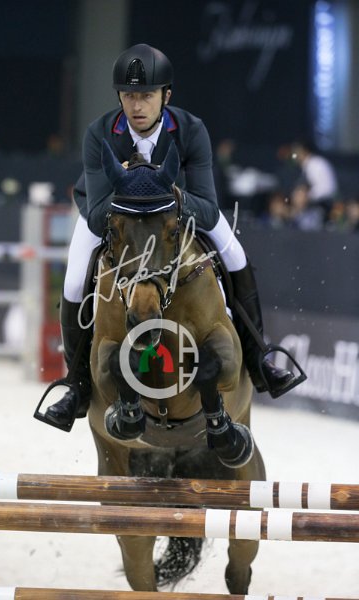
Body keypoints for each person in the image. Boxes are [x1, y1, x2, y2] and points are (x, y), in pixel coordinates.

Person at [44, 43, 299, 428]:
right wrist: (132, 191)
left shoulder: (191, 130)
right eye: (129, 96)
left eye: (147, 96)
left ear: (166, 96)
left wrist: (168, 197)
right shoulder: (99, 134)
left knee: (235, 254)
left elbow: (208, 208)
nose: (137, 106)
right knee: (76, 277)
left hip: (177, 212)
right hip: (114, 218)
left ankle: (259, 358)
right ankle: (76, 385)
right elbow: (97, 217)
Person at [290, 140, 338, 223]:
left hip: (325, 206)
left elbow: (328, 188)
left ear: (304, 151)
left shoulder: (316, 164)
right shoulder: (306, 166)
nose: (295, 155)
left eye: (297, 152)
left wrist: (307, 197)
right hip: (314, 205)